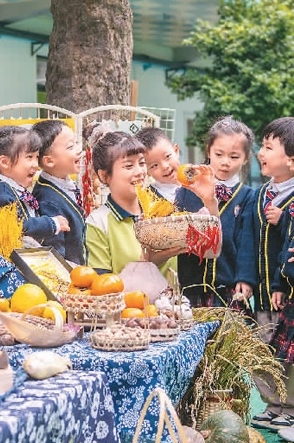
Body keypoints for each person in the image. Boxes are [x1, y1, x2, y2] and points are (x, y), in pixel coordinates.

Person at [85, 129, 191, 276]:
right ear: (104, 175)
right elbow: (102, 285)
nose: (140, 172)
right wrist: (147, 262)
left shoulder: (162, 208)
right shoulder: (98, 222)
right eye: (129, 166)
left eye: (142, 163)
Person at [137, 125, 224, 300]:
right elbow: (145, 258)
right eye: (154, 165)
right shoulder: (146, 199)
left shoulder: (199, 189)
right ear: (146, 170)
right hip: (161, 292)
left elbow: (214, 250)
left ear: (176, 150)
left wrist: (210, 202)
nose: (165, 167)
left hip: (197, 286)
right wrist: (171, 251)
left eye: (167, 157)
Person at [179, 117, 256, 308]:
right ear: (208, 151)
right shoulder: (187, 190)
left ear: (246, 158)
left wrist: (245, 277)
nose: (225, 162)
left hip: (229, 287)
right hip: (190, 286)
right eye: (219, 154)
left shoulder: (248, 196)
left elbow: (247, 242)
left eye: (234, 157)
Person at [248, 116, 294, 431]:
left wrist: (285, 220)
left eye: (268, 147)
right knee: (263, 349)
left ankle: (289, 405)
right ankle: (272, 404)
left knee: (287, 356)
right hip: (263, 293)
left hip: (285, 292)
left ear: (290, 159)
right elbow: (248, 240)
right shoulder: (261, 194)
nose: (260, 153)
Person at [0, 125, 70, 243]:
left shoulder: (14, 189)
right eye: (29, 157)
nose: (36, 164)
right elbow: (17, 226)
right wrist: (51, 224)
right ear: (5, 162)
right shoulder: (2, 193)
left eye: (36, 157)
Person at [32, 119, 86, 265]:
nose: (79, 149)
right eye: (70, 147)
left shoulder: (64, 183)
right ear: (49, 161)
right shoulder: (48, 200)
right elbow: (55, 252)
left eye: (76, 143)